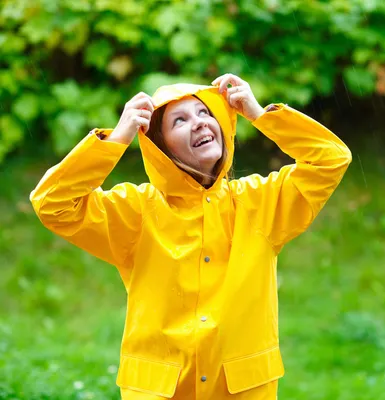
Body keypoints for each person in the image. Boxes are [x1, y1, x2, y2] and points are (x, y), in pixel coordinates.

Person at [30, 73, 352, 399]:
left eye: (205, 113)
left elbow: (330, 159)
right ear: (161, 148)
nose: (198, 123)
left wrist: (258, 114)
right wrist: (116, 140)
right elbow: (53, 203)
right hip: (160, 390)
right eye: (179, 120)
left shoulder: (260, 203)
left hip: (241, 389)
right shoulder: (136, 211)